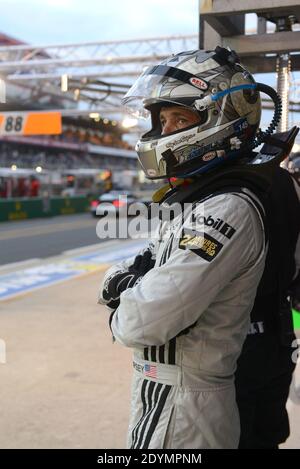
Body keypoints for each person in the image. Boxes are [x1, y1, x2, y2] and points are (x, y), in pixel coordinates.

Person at [98, 47, 297, 449]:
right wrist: (134, 283)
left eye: (180, 118)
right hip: (190, 388)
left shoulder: (230, 202)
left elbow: (138, 323)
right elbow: (138, 268)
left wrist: (126, 292)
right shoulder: (204, 195)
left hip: (200, 398)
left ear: (221, 118)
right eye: (163, 119)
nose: (165, 131)